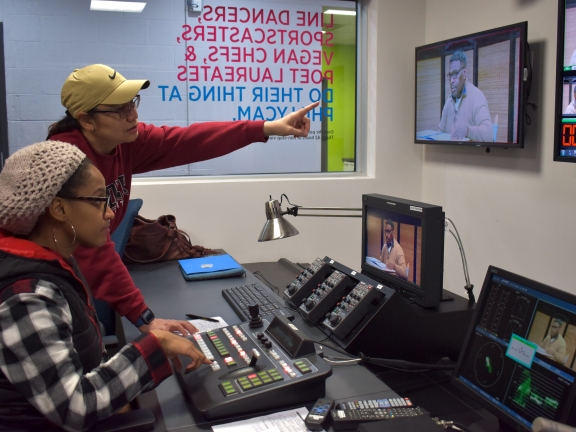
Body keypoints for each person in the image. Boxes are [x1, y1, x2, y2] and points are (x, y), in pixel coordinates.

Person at [46, 64, 318, 335]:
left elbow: (190, 140)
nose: (134, 115)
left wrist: (267, 128)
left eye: (133, 104)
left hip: (84, 280)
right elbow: (95, 255)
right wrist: (146, 318)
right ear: (86, 120)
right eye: (120, 110)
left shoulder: (124, 143)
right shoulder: (68, 165)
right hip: (52, 286)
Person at [0, 141, 212, 431]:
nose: (111, 212)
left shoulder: (53, 260)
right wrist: (155, 345)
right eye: (100, 200)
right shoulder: (26, 295)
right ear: (59, 208)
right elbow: (75, 408)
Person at [438, 51, 493, 142]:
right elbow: (440, 132)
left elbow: (489, 134)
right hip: (449, 154)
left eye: (455, 74)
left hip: (470, 155)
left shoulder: (477, 97)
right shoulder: (448, 102)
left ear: (464, 72)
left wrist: (467, 131)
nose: (452, 80)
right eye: (450, 75)